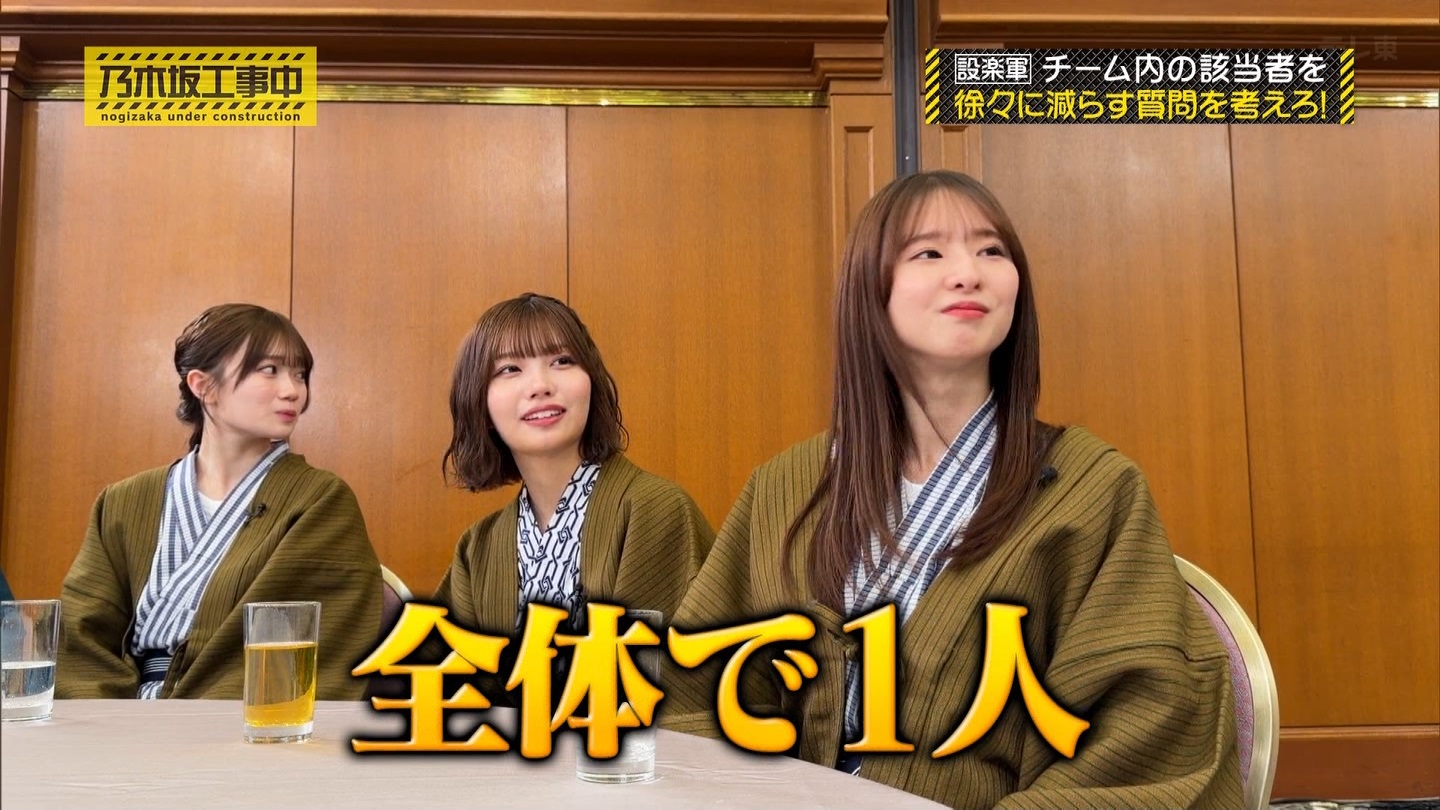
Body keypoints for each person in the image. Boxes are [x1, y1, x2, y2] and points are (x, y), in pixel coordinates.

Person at [662, 171, 1243, 809]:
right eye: (929, 252)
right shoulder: (788, 485)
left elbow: (1144, 730)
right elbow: (700, 692)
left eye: (991, 250)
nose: (968, 273)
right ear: (869, 289)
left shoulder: (1094, 488)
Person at [57, 303, 381, 700]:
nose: (293, 390)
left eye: (300, 374)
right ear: (202, 385)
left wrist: (193, 719)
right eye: (270, 370)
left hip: (245, 715)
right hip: (122, 719)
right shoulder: (124, 501)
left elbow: (322, 637)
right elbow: (82, 636)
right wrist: (112, 720)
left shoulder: (320, 499)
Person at [431, 293, 714, 645]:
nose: (540, 386)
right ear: (481, 404)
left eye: (562, 361)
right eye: (509, 369)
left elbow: (663, 669)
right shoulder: (478, 548)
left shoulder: (656, 510)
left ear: (591, 383)